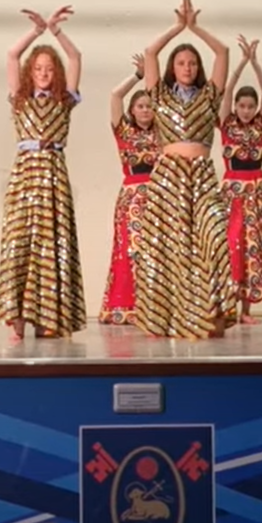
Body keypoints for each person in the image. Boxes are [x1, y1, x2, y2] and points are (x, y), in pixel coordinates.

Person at [129, 0, 239, 340]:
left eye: (192, 63)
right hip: (169, 178)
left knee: (214, 240)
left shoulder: (210, 95)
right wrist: (177, 28)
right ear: (173, 68)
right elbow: (150, 53)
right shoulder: (160, 95)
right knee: (170, 246)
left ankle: (215, 315)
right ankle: (165, 319)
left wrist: (195, 28)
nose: (188, 68)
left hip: (202, 177)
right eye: (181, 63)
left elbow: (222, 53)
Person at [0, 7, 87, 340]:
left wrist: (56, 31)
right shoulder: (20, 98)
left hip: (53, 173)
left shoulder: (65, 99)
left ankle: (50, 318)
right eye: (38, 69)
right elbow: (11, 54)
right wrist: (36, 32)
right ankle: (17, 318)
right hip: (24, 175)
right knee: (19, 243)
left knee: (53, 244)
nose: (44, 74)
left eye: (49, 69)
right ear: (30, 72)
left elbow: (76, 57)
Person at [219, 36, 262, 323]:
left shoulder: (261, 124)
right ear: (235, 107)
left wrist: (255, 62)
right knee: (231, 244)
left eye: (250, 106)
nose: (246, 110)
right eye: (242, 106)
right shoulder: (226, 123)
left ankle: (246, 309)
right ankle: (228, 307)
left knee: (252, 247)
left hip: (257, 189)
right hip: (232, 190)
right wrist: (240, 64)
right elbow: (225, 91)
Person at [101, 55, 159, 326]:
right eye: (140, 106)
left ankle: (157, 306)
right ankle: (127, 306)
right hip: (133, 195)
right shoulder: (124, 132)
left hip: (160, 198)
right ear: (132, 110)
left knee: (158, 251)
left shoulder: (163, 133)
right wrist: (138, 75)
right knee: (131, 250)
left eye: (150, 106)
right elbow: (115, 95)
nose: (146, 110)